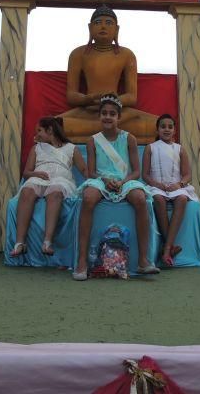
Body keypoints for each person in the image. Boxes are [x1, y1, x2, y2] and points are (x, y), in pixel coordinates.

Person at [72, 94, 159, 280]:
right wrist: (104, 180)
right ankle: (81, 261)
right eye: (104, 113)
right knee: (88, 197)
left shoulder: (130, 139)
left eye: (112, 113)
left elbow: (136, 171)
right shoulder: (92, 140)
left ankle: (143, 260)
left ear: (118, 117)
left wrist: (122, 182)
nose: (108, 117)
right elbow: (91, 172)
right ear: (99, 116)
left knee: (140, 198)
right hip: (100, 180)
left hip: (125, 180)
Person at [58, 6, 158, 143]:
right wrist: (89, 98)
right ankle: (107, 129)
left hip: (118, 112)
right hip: (88, 111)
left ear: (117, 30)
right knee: (54, 125)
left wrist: (111, 100)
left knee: (157, 125)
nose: (103, 26)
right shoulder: (78, 54)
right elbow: (71, 96)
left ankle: (100, 129)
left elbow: (131, 97)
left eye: (109, 23)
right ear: (90, 28)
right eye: (98, 23)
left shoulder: (127, 55)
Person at [11, 116, 85, 258]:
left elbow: (84, 170)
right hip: (38, 179)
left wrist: (97, 180)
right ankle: (20, 243)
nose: (36, 134)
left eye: (39, 130)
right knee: (26, 191)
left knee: (56, 192)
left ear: (50, 130)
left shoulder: (71, 149)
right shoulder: (36, 148)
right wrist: (35, 173)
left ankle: (47, 242)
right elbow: (26, 172)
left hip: (61, 180)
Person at [142, 114, 198, 267]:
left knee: (182, 199)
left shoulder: (180, 149)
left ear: (174, 130)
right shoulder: (150, 148)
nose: (166, 129)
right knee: (158, 200)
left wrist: (179, 184)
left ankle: (166, 248)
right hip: (156, 187)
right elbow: (145, 174)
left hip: (176, 187)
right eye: (163, 126)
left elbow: (187, 174)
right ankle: (170, 247)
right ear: (157, 129)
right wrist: (156, 184)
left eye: (170, 127)